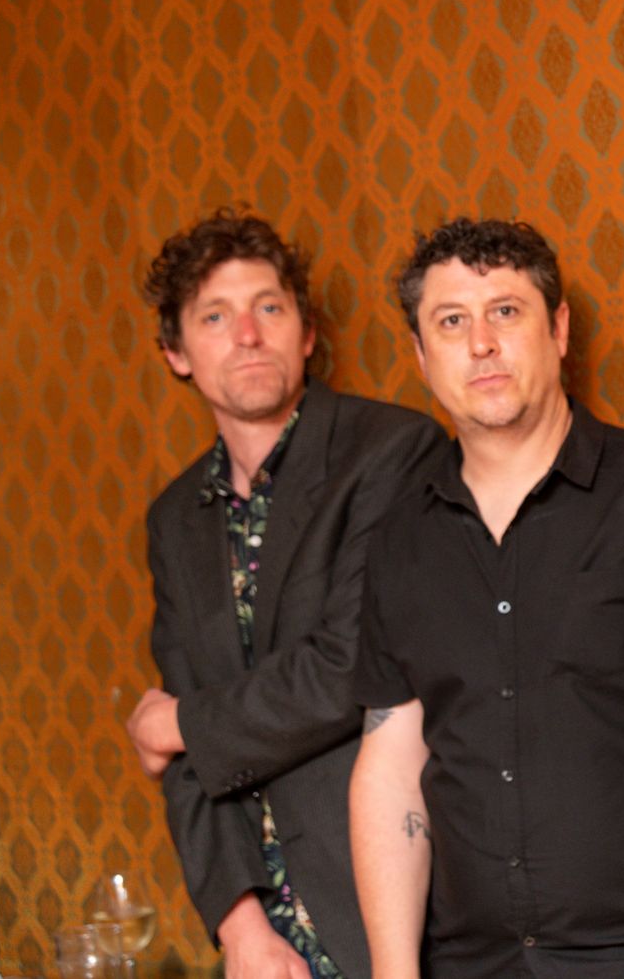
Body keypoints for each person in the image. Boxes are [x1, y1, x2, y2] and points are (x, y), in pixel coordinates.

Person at [349, 218, 624, 978]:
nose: (481, 343)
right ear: (421, 356)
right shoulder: (398, 537)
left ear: (557, 329)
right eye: (451, 321)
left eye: (505, 310)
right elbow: (392, 762)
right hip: (470, 963)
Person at [127, 207, 446, 978]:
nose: (248, 334)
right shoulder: (174, 518)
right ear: (176, 352)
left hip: (388, 916)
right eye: (215, 315)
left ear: (305, 332)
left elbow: (349, 667)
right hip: (260, 941)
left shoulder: (395, 451)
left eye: (269, 306)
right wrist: (240, 928)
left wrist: (180, 721)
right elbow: (186, 761)